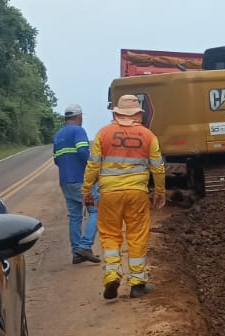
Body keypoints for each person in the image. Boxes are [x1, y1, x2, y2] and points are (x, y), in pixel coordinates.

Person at [82, 94, 165, 299]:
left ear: (116, 112)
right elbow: (158, 167)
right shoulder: (148, 136)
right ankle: (137, 284)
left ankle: (112, 274)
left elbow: (93, 165)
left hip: (109, 194)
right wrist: (160, 192)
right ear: (138, 114)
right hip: (137, 193)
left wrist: (86, 191)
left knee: (110, 234)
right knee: (137, 235)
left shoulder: (103, 134)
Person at [53, 103, 99, 264]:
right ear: (79, 117)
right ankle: (85, 246)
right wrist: (94, 169)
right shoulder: (78, 131)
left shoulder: (58, 135)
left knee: (75, 216)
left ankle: (76, 253)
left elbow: (56, 160)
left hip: (66, 181)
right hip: (81, 181)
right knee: (96, 211)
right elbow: (82, 151)